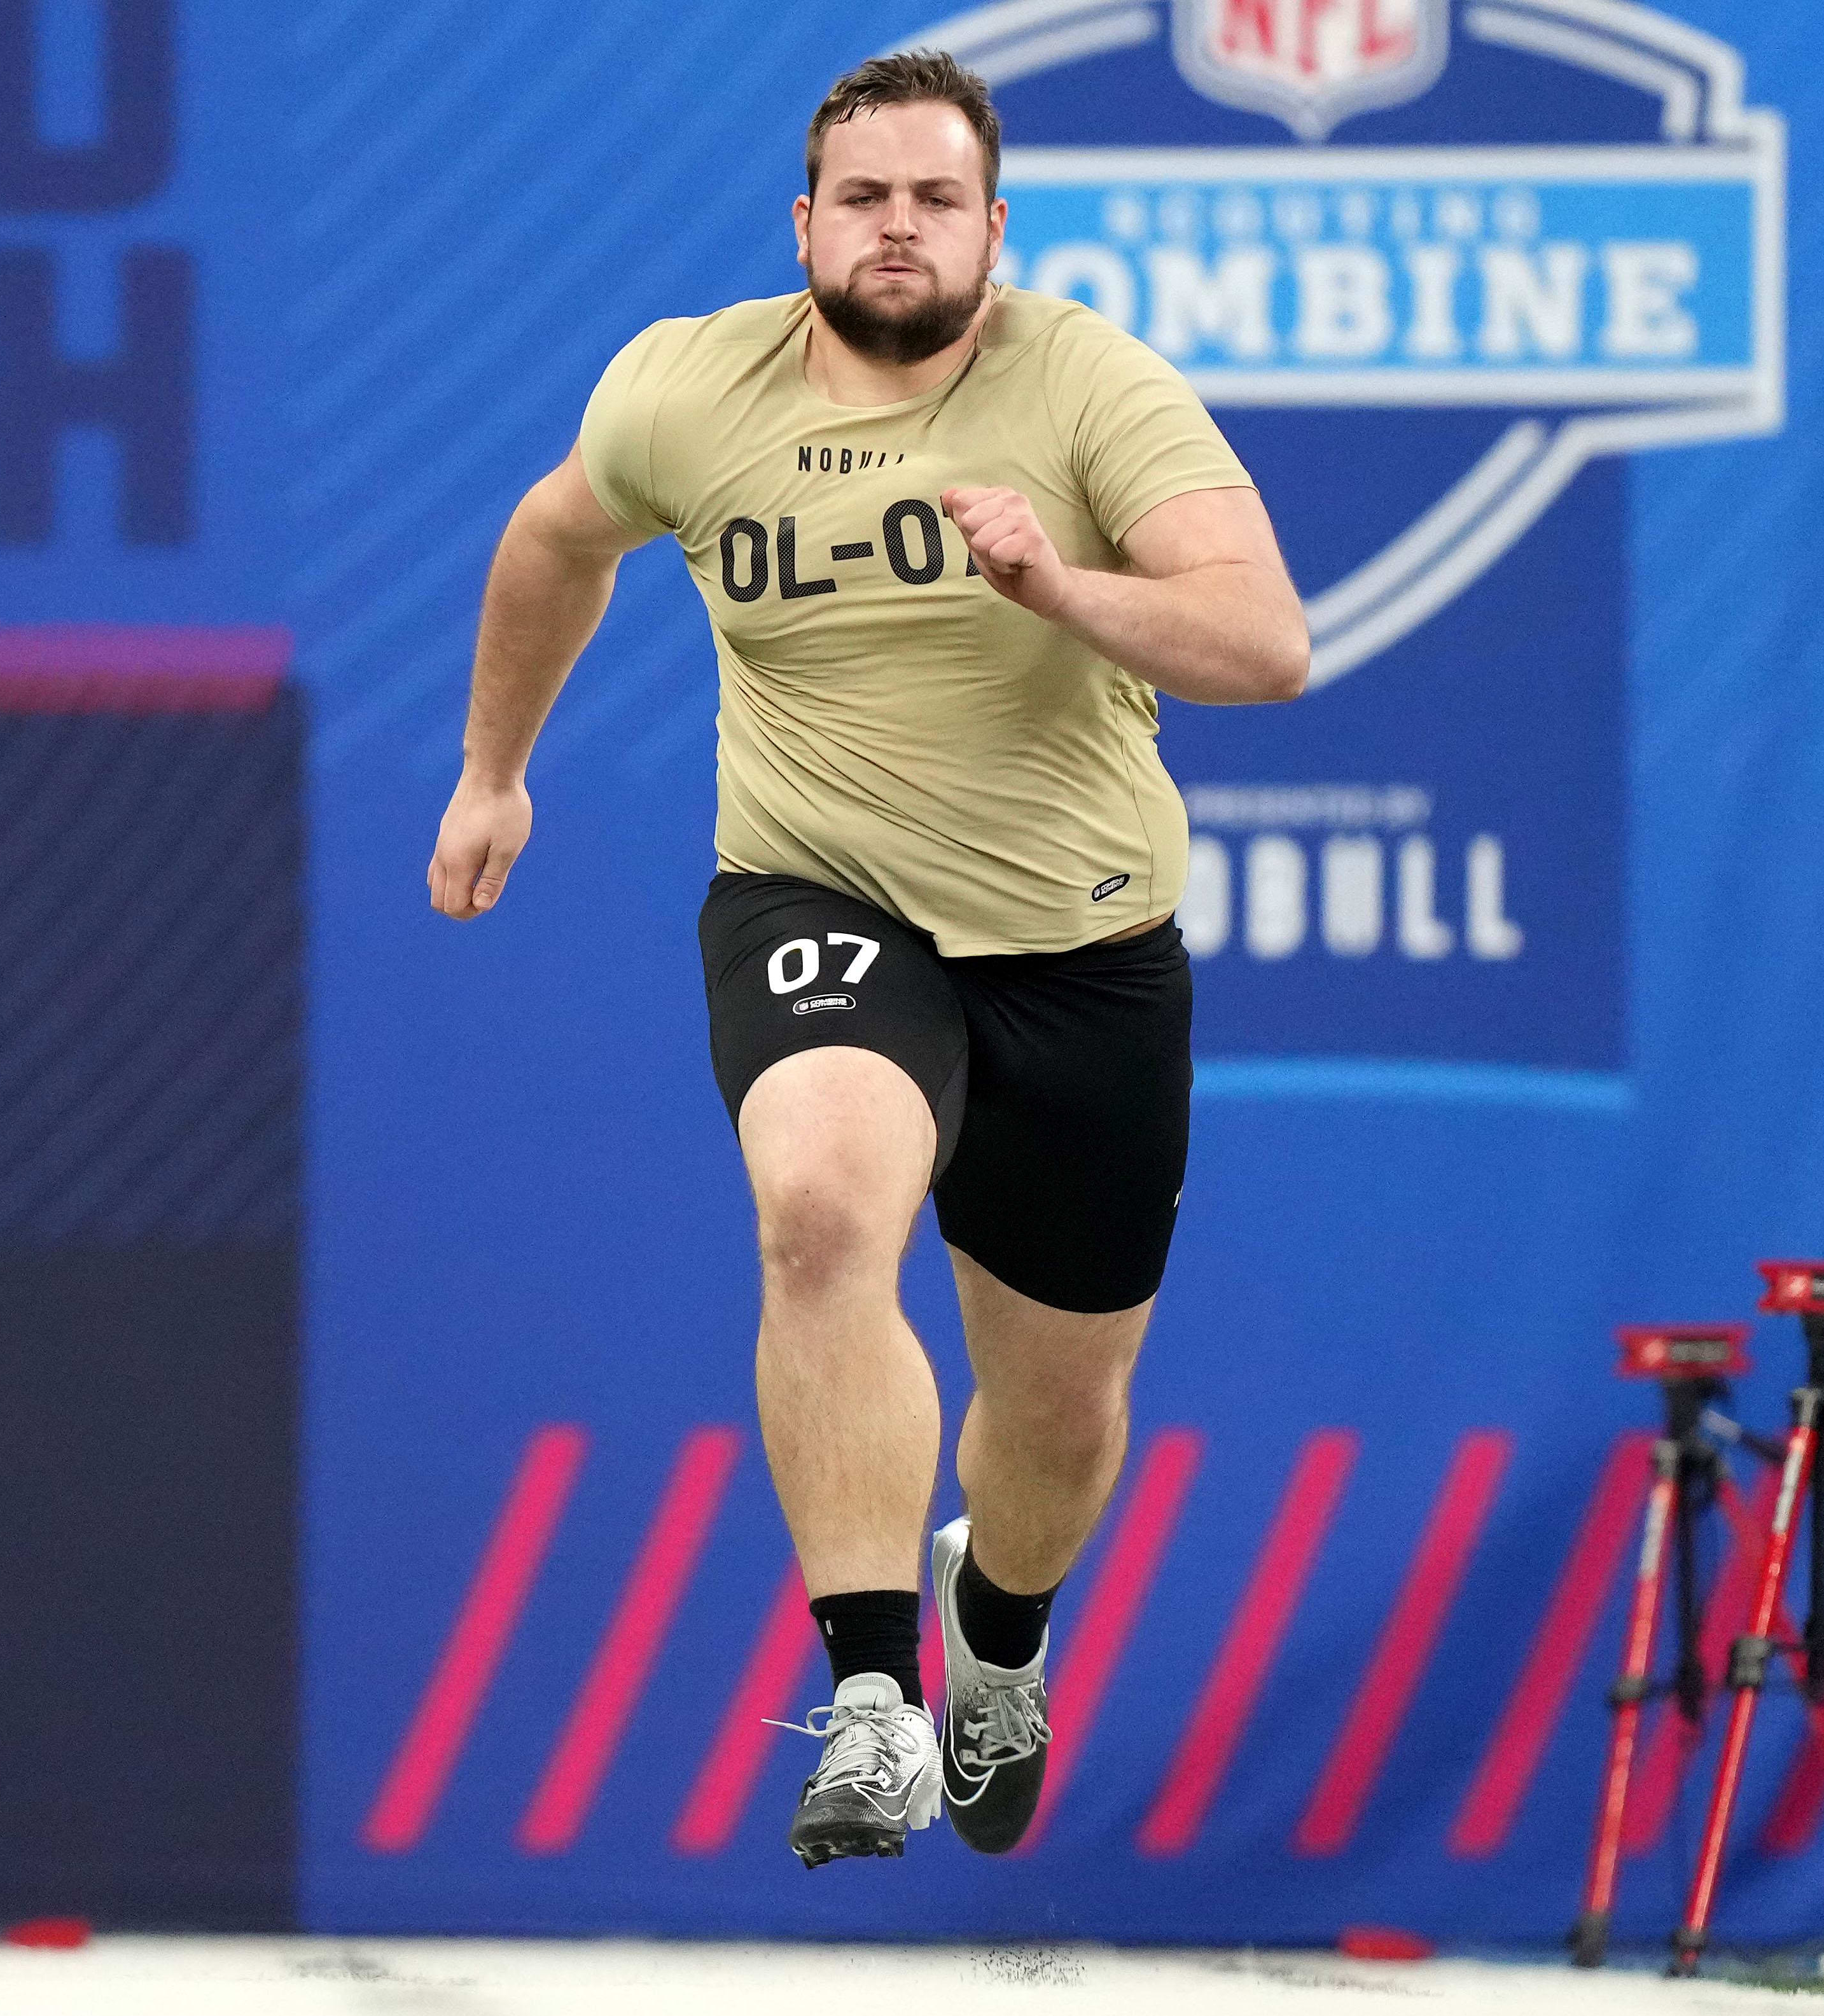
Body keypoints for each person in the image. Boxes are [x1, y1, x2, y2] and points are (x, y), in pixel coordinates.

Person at [423, 49, 1309, 1867]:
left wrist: (1058, 583)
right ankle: (873, 1696)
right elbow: (549, 538)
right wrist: (491, 771)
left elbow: (1261, 643)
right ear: (802, 221)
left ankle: (995, 1631)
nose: (893, 228)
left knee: (1056, 1423)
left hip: (1078, 946)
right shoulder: (687, 384)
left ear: (992, 226)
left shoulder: (1087, 382)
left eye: (931, 198)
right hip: (819, 897)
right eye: (861, 196)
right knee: (819, 1207)